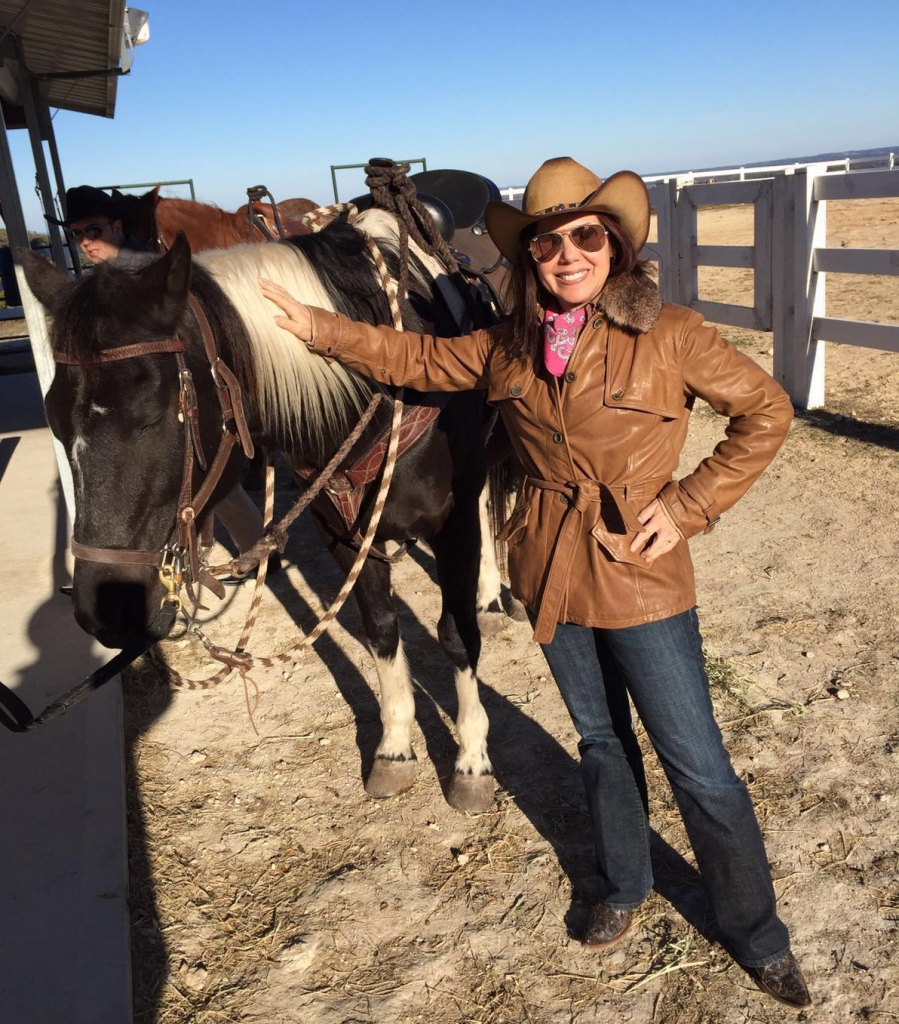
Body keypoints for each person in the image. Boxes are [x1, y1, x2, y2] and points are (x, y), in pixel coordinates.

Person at [257, 156, 811, 1009]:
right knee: (600, 742)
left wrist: (689, 504)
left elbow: (764, 410)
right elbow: (414, 357)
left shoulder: (670, 333)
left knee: (696, 763)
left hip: (638, 572)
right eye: (547, 243)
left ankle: (756, 931)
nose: (566, 254)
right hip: (545, 565)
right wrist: (317, 328)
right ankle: (623, 885)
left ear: (614, 246)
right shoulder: (505, 345)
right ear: (529, 259)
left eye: (585, 236)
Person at [48, 185, 276, 586]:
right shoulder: (110, 276)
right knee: (211, 486)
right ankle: (255, 552)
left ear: (117, 226)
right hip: (147, 396)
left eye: (93, 230)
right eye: (77, 233)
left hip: (173, 394)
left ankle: (258, 554)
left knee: (210, 482)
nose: (85, 241)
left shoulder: (151, 272)